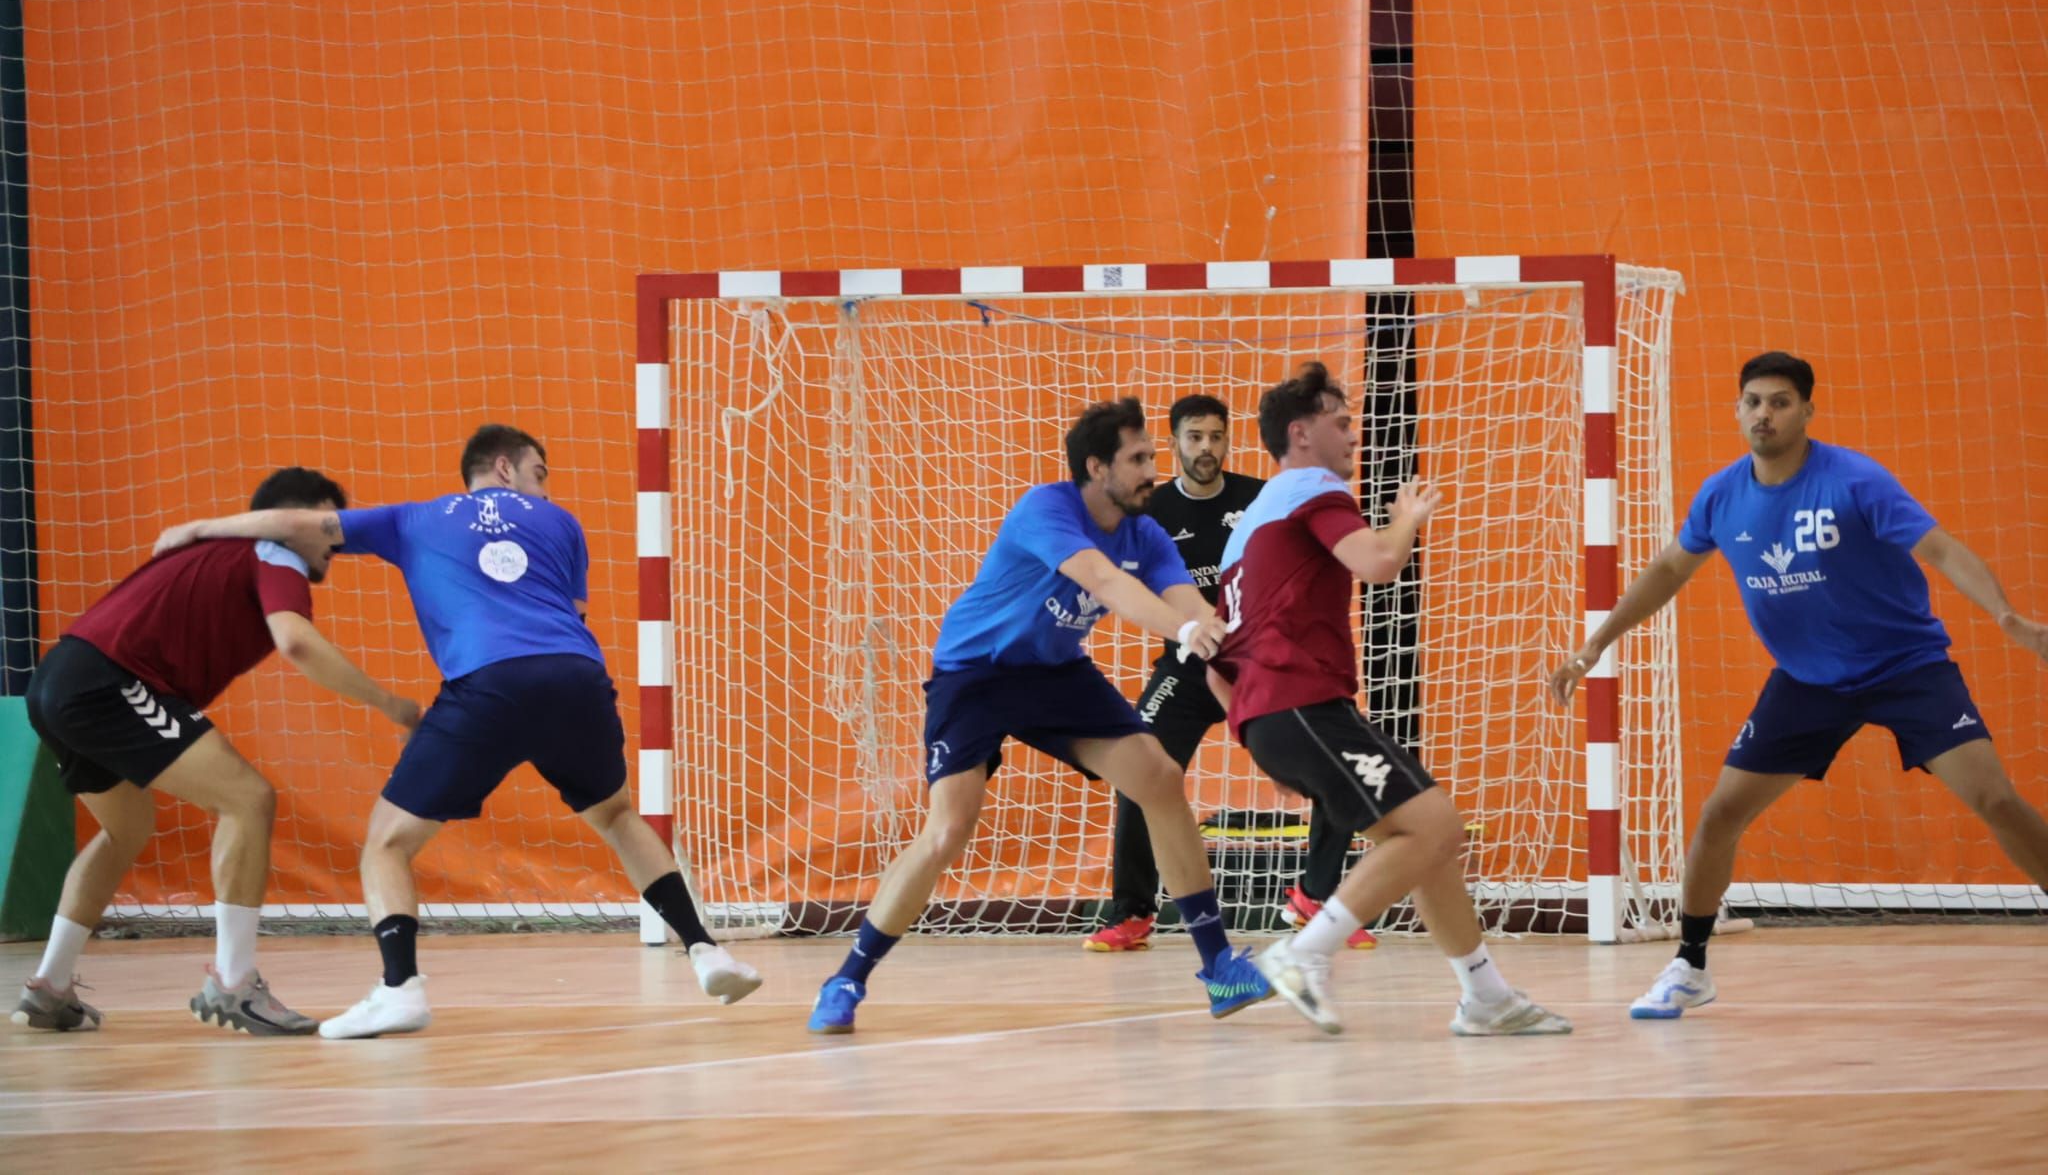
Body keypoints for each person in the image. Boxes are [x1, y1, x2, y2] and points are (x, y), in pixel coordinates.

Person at [153, 424, 762, 1039]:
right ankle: (708, 952)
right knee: (617, 817)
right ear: (503, 468)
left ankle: (400, 990)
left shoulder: (411, 519)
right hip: (577, 678)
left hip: (488, 685)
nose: (544, 489)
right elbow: (570, 616)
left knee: (387, 844)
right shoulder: (564, 525)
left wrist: (200, 528)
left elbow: (295, 525)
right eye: (539, 473)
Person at [1550, 351, 2048, 1019]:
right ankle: (1688, 964)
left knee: (1995, 798)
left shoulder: (1856, 480)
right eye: (1753, 400)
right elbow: (1669, 569)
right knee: (1720, 814)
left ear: (1807, 411)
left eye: (1780, 401)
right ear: (1737, 410)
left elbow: (1943, 548)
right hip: (1809, 682)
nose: (1765, 413)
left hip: (1906, 666)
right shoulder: (1722, 494)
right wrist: (1595, 643)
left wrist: (2005, 613)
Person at [806, 398, 1275, 1034]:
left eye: (1152, 460)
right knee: (948, 830)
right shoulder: (1046, 509)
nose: (1152, 473)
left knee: (1159, 777)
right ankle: (847, 979)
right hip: (976, 674)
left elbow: (1187, 603)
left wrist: (1222, 649)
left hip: (1054, 673)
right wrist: (1193, 629)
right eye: (1138, 460)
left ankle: (1219, 966)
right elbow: (1107, 584)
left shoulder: (1147, 533)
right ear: (1096, 466)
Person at [1214, 363, 1572, 1037]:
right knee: (1438, 827)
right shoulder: (1312, 485)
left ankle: (1487, 995)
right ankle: (1304, 952)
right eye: (1341, 422)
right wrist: (1406, 517)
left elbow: (1212, 661)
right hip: (1302, 702)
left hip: (1271, 713)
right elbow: (1379, 562)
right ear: (1301, 432)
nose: (1355, 434)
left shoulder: (1248, 524)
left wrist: (1260, 723)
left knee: (1423, 843)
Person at [13, 467, 417, 1035]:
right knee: (248, 799)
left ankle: (51, 986)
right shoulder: (277, 553)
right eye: (330, 522)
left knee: (126, 827)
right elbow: (297, 641)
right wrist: (392, 705)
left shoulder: (221, 550)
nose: (339, 538)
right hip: (107, 684)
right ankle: (234, 983)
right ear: (297, 519)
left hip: (56, 682)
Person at [1086, 393, 1374, 952]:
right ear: (1173, 445)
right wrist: (1187, 627)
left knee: (1340, 762)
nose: (1207, 448)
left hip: (1259, 668)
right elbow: (1124, 584)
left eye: (1216, 437)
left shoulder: (1262, 499)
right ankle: (1134, 912)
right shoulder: (1149, 513)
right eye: (1195, 438)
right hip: (1189, 667)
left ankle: (1315, 899)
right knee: (1139, 766)